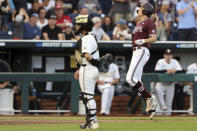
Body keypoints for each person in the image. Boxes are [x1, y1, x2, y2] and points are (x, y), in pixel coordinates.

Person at [125, 3, 157, 119]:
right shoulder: (139, 22)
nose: (139, 9)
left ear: (145, 11)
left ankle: (149, 98)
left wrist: (143, 40)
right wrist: (125, 35)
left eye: (141, 8)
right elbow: (135, 37)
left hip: (142, 50)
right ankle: (150, 105)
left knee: (130, 78)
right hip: (136, 50)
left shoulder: (149, 22)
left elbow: (154, 38)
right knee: (136, 81)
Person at [74, 15, 99, 129]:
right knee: (88, 96)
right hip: (90, 69)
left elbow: (87, 55)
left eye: (78, 25)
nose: (76, 26)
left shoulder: (86, 38)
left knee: (87, 97)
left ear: (83, 26)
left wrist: (94, 62)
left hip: (88, 68)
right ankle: (91, 120)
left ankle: (93, 121)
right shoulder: (91, 36)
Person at [155, 49, 183, 115]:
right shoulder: (160, 61)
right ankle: (159, 115)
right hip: (161, 84)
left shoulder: (174, 61)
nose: (168, 56)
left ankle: (167, 118)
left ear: (171, 56)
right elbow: (157, 71)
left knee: (169, 103)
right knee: (159, 102)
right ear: (164, 55)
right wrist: (166, 70)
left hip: (170, 84)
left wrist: (174, 71)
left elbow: (180, 70)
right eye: (167, 55)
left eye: (170, 55)